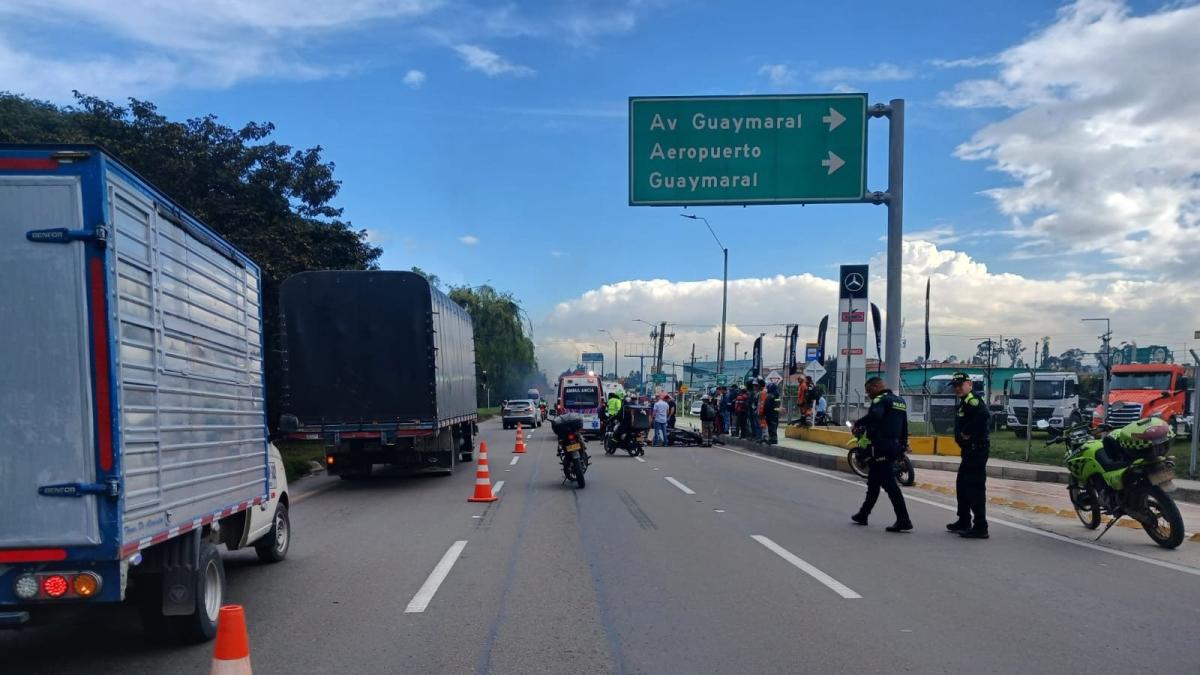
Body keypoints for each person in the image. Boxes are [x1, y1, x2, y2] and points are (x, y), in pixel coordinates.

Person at [850, 377, 913, 532]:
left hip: (881, 446)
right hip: (894, 445)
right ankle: (863, 514)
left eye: (869, 390)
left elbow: (876, 416)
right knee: (873, 482)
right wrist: (903, 445)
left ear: (878, 386)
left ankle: (904, 519)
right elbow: (905, 425)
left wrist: (858, 423)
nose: (868, 394)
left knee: (889, 484)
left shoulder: (880, 400)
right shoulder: (899, 401)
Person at [948, 371, 990, 539]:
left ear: (970, 384)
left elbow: (984, 414)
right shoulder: (964, 402)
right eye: (955, 386)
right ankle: (964, 520)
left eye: (960, 385)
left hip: (976, 450)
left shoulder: (972, 400)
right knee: (962, 485)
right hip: (969, 451)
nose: (957, 388)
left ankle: (980, 526)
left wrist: (967, 431)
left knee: (974, 487)